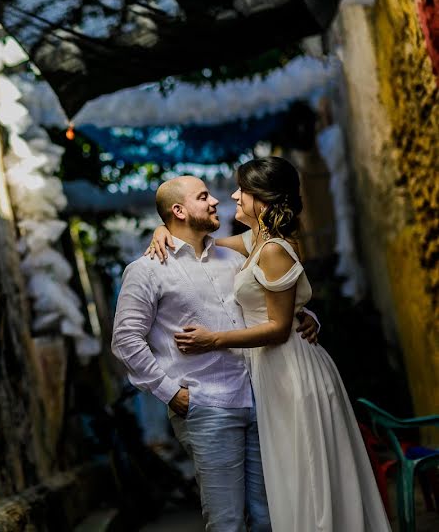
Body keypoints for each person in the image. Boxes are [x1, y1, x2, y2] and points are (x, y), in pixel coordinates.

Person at [146, 157, 390, 531]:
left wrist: (215, 339)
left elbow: (277, 327)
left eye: (242, 190)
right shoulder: (252, 243)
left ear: (262, 199)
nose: (232, 196)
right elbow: (198, 243)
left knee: (307, 468)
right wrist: (162, 230)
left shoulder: (274, 248)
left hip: (291, 370)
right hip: (270, 371)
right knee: (291, 473)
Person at [111, 173, 319, 531]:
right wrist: (171, 393)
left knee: (269, 517)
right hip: (206, 406)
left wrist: (305, 314)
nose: (216, 201)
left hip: (259, 397)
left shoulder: (231, 256)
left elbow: (269, 294)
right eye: (203, 196)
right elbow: (126, 340)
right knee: (227, 522)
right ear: (178, 210)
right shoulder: (146, 270)